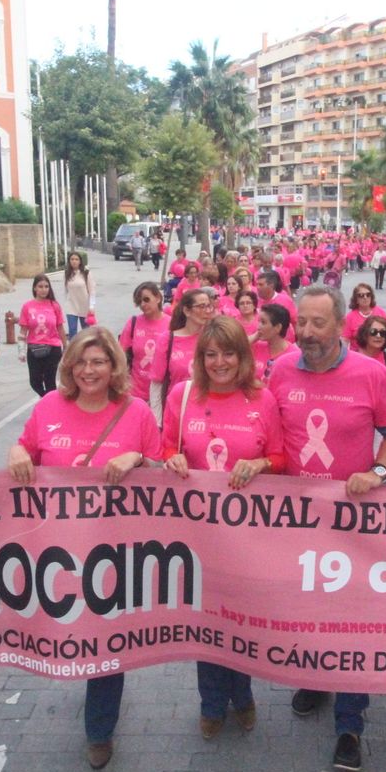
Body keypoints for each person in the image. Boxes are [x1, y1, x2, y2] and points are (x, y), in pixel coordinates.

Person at [7, 328, 163, 770]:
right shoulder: (48, 408)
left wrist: (135, 458)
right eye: (80, 362)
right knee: (70, 630)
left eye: (98, 362)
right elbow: (28, 449)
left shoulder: (135, 413)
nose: (89, 370)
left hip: (115, 550)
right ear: (68, 367)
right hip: (58, 550)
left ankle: (99, 727)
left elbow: (159, 468)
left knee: (105, 638)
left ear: (114, 367)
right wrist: (18, 450)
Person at [269, 285, 386, 772]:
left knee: (352, 620)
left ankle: (350, 724)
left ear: (341, 325)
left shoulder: (370, 374)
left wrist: (380, 473)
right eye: (301, 322)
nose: (306, 332)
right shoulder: (280, 369)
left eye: (317, 324)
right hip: (297, 525)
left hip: (353, 526)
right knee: (308, 611)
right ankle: (316, 676)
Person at [161, 317, 285, 740]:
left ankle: (243, 695)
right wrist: (171, 460)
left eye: (228, 353)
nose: (220, 362)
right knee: (206, 622)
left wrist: (261, 463)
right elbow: (165, 447)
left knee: (241, 619)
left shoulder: (261, 399)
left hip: (249, 536)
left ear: (243, 356)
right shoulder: (182, 396)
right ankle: (211, 703)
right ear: (199, 358)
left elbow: (281, 456)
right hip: (198, 535)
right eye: (210, 354)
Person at [120, 280, 172, 417]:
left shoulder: (171, 324)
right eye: (139, 302)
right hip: (135, 391)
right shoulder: (133, 323)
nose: (143, 304)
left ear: (158, 298)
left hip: (161, 392)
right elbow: (119, 354)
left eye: (146, 299)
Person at [17, 274, 66, 398]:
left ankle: (50, 407)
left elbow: (60, 327)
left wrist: (65, 346)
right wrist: (21, 350)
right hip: (34, 348)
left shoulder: (54, 305)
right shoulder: (27, 306)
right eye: (40, 286)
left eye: (46, 286)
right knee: (35, 382)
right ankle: (47, 399)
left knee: (50, 382)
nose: (44, 289)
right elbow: (23, 330)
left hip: (52, 347)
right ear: (35, 288)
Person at [165, 286, 217, 391]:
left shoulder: (214, 336)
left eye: (208, 306)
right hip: (177, 402)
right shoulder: (168, 339)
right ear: (187, 311)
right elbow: (157, 382)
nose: (207, 311)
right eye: (201, 306)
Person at [353, 313, 386, 394]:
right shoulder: (352, 358)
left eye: (383, 333)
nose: (378, 336)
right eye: (373, 332)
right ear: (365, 334)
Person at [252, 302, 299, 385]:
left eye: (263, 322)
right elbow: (235, 347)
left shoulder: (294, 355)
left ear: (278, 327)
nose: (258, 327)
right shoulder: (257, 346)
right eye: (259, 322)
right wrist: (254, 337)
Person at [62, 250, 96, 335]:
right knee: (72, 331)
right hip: (71, 306)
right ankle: (73, 348)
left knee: (86, 332)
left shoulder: (86, 273)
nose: (74, 261)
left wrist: (91, 306)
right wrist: (66, 302)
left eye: (76, 259)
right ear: (69, 261)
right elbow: (66, 290)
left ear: (80, 261)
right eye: (72, 259)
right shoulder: (66, 273)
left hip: (84, 306)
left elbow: (92, 291)